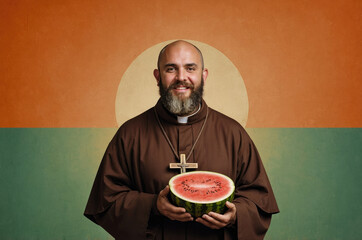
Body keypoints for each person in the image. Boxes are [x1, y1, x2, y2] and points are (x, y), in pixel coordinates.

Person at [84, 40, 279, 240]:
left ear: (204, 76)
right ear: (157, 76)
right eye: (171, 69)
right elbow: (106, 201)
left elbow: (260, 200)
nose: (181, 77)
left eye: (190, 68)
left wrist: (237, 214)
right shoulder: (130, 134)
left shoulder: (233, 133)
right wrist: (152, 205)